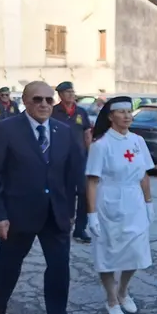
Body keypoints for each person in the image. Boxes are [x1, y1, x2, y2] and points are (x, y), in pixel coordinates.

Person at [0, 81, 84, 314]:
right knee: (8, 265)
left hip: (56, 216)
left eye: (49, 100)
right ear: (25, 101)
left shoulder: (64, 131)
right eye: (37, 99)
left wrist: (73, 212)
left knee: (59, 271)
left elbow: (74, 176)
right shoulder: (6, 129)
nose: (44, 105)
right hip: (17, 215)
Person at [84, 96, 154, 314]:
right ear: (110, 116)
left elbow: (144, 174)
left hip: (134, 200)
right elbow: (92, 181)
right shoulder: (101, 144)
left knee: (135, 252)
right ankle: (111, 298)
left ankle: (123, 291)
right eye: (121, 112)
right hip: (109, 201)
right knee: (107, 253)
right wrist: (91, 214)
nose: (127, 116)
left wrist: (149, 202)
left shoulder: (138, 141)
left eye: (129, 111)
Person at [52, 81, 93, 245]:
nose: (71, 94)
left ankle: (80, 228)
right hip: (60, 160)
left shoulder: (81, 112)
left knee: (84, 193)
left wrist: (91, 155)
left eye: (72, 91)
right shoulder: (54, 112)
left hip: (80, 159)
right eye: (67, 92)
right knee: (64, 193)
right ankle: (65, 223)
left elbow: (87, 134)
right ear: (60, 95)